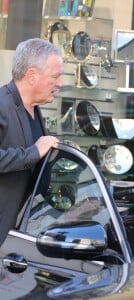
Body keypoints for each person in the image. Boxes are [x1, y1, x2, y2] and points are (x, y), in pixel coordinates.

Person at [0, 38, 62, 245]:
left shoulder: (35, 108)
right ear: (32, 76)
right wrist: (34, 153)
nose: (60, 84)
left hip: (23, 235)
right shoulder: (1, 105)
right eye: (55, 77)